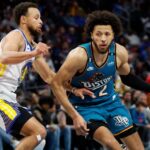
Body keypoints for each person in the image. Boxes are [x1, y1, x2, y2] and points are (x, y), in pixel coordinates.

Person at [0, 2, 93, 150]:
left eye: (41, 18)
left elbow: (51, 78)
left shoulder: (32, 46)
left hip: (8, 97)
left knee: (39, 140)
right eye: (36, 18)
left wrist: (74, 89)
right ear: (23, 20)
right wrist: (34, 53)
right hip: (1, 97)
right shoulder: (16, 35)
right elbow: (4, 57)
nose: (41, 21)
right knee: (38, 132)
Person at [51, 10, 150, 150]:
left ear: (113, 35)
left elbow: (128, 78)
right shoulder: (78, 56)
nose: (103, 38)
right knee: (112, 145)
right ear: (91, 34)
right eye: (98, 34)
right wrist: (74, 115)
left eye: (107, 34)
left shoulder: (119, 52)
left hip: (112, 103)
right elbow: (56, 83)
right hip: (85, 107)